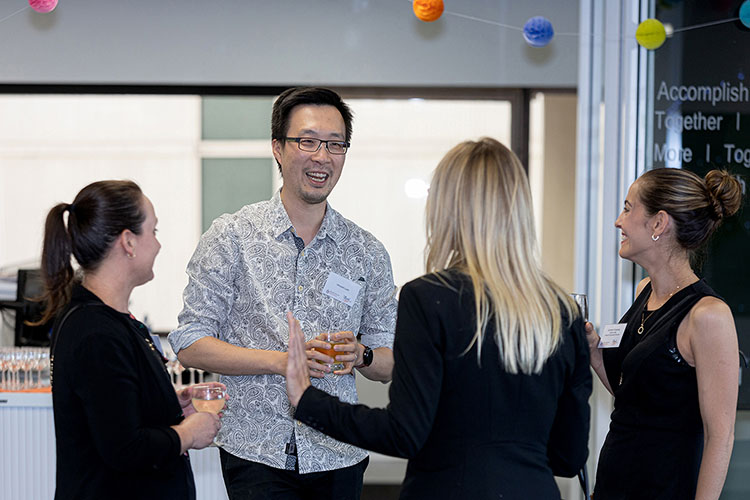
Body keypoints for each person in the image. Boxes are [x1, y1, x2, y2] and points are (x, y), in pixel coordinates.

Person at [286, 137, 592, 499]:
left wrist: (308, 400)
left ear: (448, 208)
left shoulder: (429, 298)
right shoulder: (561, 311)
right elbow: (568, 457)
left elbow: (404, 433)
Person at [168, 87, 398, 499]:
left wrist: (361, 354)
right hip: (257, 452)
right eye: (307, 141)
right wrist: (282, 362)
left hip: (338, 450)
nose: (322, 156)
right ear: (278, 147)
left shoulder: (366, 252)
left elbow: (390, 360)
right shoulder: (232, 237)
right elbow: (189, 342)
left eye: (335, 144)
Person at [37, 180, 222, 500]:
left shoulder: (106, 322)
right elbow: (124, 448)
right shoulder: (96, 333)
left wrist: (166, 403)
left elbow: (112, 412)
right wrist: (187, 434)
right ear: (128, 242)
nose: (158, 245)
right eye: (153, 231)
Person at [587, 168, 743, 499]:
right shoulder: (644, 291)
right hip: (615, 483)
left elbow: (721, 436)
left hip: (664, 489)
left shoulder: (708, 315)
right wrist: (594, 352)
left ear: (659, 223)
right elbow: (630, 394)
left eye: (628, 208)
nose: (618, 221)